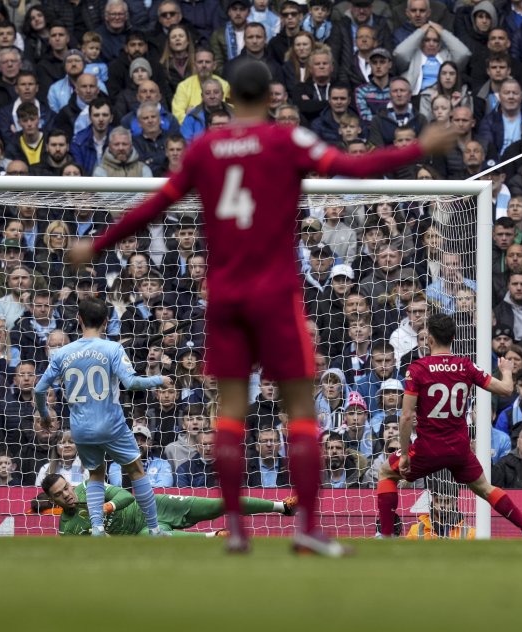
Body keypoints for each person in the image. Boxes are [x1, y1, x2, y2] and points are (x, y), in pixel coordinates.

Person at [68, 59, 457, 556]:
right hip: (275, 294)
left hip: (225, 297)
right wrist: (419, 147)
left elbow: (155, 204)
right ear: (272, 97)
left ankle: (235, 530)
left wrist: (98, 244)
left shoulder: (205, 147)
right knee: (300, 409)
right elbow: (352, 168)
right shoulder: (286, 141)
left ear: (229, 98)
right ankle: (306, 528)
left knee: (230, 412)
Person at [376, 312, 522, 538]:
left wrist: (404, 454)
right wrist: (507, 372)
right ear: (453, 338)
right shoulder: (465, 366)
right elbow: (506, 389)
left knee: (386, 473)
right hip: (459, 450)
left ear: (429, 339)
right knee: (485, 488)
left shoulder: (417, 369)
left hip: (427, 449)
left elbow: (405, 416)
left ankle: (385, 536)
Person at [34, 296, 172, 537]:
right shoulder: (112, 348)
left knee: (96, 474)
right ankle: (153, 529)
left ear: (79, 320)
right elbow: (131, 383)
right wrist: (158, 379)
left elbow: (38, 390)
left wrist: (45, 415)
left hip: (80, 429)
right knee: (136, 470)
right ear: (107, 321)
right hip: (111, 424)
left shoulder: (62, 353)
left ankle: (97, 528)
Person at [41, 473, 297, 536]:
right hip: (138, 532)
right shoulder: (67, 530)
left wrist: (104, 508)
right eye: (60, 494)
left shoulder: (90, 487)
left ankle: (281, 507)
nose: (67, 495)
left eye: (67, 488)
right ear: (53, 501)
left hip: (153, 506)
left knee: (216, 505)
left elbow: (126, 496)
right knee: (156, 538)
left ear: (71, 485)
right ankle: (216, 536)